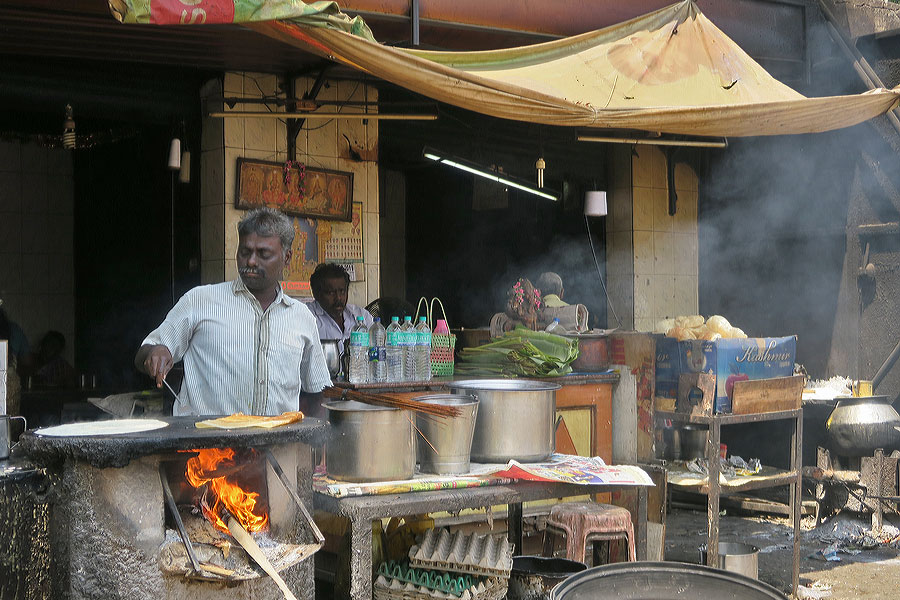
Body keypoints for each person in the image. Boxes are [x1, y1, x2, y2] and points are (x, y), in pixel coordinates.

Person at [134, 207, 331, 417]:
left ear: (287, 257)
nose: (251, 261)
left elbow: (319, 390)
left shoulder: (301, 317)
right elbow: (143, 354)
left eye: (264, 254)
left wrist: (319, 440)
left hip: (276, 444)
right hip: (207, 445)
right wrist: (156, 352)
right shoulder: (200, 301)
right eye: (245, 252)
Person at [307, 263, 373, 353]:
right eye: (331, 292)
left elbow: (376, 349)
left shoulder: (361, 315)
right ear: (316, 294)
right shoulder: (306, 317)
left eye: (342, 291)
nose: (338, 298)